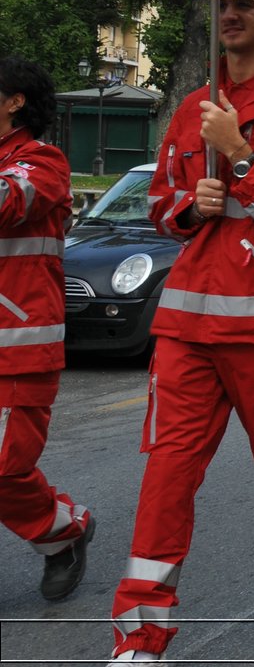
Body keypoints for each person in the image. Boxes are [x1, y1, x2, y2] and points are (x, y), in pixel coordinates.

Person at [112, 0, 254, 662]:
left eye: (245, 4)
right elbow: (159, 205)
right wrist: (188, 205)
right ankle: (139, 634)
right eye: (224, 5)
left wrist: (240, 155)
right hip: (186, 321)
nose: (230, 15)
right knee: (166, 474)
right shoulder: (191, 108)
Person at [0, 58, 93, 604]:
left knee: (5, 468)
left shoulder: (43, 163)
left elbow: (7, 203)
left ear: (15, 101)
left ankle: (64, 531)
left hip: (17, 351)